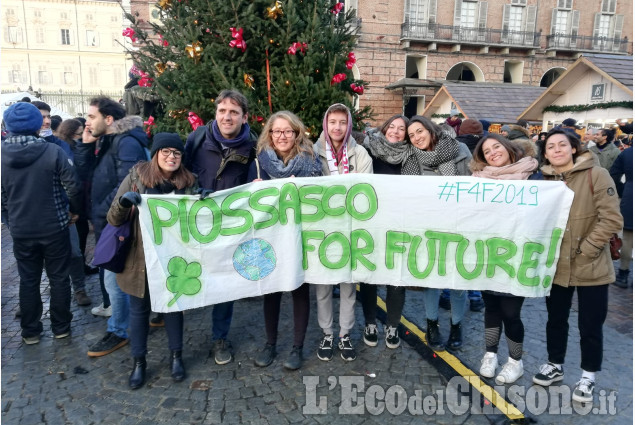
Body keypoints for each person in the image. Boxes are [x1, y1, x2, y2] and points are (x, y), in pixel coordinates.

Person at [532, 129, 622, 403]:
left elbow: (611, 219)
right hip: (556, 266)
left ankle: (588, 376)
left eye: (562, 145)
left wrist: (588, 249)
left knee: (590, 325)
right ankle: (555, 364)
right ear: (545, 153)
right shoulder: (544, 180)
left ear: (573, 148)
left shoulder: (596, 175)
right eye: (551, 147)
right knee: (555, 319)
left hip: (590, 264)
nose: (556, 150)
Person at [106, 133, 197, 389]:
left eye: (176, 153)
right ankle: (139, 362)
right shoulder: (137, 177)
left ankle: (176, 357)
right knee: (139, 311)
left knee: (173, 309)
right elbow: (112, 218)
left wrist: (203, 202)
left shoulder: (189, 182)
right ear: (156, 154)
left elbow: (195, 223)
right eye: (166, 152)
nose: (171, 157)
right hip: (139, 259)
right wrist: (124, 204)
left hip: (173, 260)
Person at [183, 89, 257, 365]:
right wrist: (192, 188)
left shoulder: (252, 147)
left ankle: (219, 337)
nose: (227, 117)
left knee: (224, 283)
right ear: (216, 113)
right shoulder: (198, 138)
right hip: (195, 221)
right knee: (187, 274)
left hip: (229, 226)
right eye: (222, 111)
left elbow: (253, 186)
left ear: (244, 117)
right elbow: (181, 171)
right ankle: (177, 342)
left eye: (234, 112)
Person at [1, 102, 82, 344]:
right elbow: (73, 187)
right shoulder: (52, 152)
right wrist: (73, 211)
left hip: (21, 228)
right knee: (58, 277)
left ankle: (31, 332)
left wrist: (9, 219)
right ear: (37, 125)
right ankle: (61, 327)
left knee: (28, 279)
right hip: (54, 226)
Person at [75, 96, 149, 357]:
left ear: (108, 120)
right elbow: (83, 175)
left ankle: (119, 330)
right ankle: (139, 318)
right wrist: (85, 146)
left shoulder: (126, 142)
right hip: (108, 220)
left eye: (92, 116)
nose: (87, 121)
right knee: (116, 276)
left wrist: (105, 214)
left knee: (114, 277)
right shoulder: (107, 140)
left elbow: (128, 185)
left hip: (117, 222)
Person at [248, 111, 322, 370]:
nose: (282, 136)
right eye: (276, 131)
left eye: (287, 131)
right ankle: (270, 344)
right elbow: (247, 202)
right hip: (271, 237)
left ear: (297, 133)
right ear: (269, 134)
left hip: (299, 236)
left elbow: (320, 199)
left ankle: (297, 347)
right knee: (271, 291)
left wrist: (302, 189)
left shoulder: (310, 161)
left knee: (299, 289)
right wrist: (255, 189)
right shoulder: (259, 162)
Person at [470, 134, 539, 385]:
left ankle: (515, 361)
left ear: (509, 148)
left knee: (511, 311)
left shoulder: (532, 175)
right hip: (487, 253)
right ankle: (490, 355)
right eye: (487, 151)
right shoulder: (477, 180)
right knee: (491, 308)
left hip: (517, 255)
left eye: (496, 146)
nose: (493, 153)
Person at [401, 116, 467, 351]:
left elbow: (472, 184)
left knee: (460, 279)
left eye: (420, 131)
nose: (417, 138)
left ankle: (457, 325)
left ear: (430, 129)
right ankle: (432, 324)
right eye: (412, 135)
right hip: (429, 228)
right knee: (432, 279)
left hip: (460, 225)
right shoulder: (412, 160)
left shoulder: (459, 149)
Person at [313, 103, 373, 362]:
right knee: (323, 285)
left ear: (349, 125)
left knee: (349, 285)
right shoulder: (313, 152)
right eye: (332, 122)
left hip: (350, 229)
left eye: (342, 122)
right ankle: (327, 332)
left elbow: (365, 190)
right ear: (325, 124)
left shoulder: (360, 153)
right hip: (322, 229)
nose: (337, 127)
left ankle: (345, 334)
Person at [359, 114, 409, 349]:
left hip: (399, 223)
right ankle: (370, 322)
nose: (396, 132)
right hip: (371, 222)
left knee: (396, 278)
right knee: (369, 276)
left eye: (402, 129)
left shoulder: (410, 156)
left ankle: (392, 325)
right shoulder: (367, 148)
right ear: (385, 128)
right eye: (393, 127)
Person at [58, 119, 99, 276]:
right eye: (79, 133)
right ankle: (78, 269)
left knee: (81, 236)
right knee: (76, 238)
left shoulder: (75, 146)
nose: (82, 136)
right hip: (73, 200)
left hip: (80, 199)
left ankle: (81, 266)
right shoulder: (66, 150)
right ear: (70, 133)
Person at [610, 147, 632, 288]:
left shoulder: (628, 153)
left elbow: (614, 174)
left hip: (631, 196)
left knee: (628, 238)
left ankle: (623, 273)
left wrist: (624, 190)